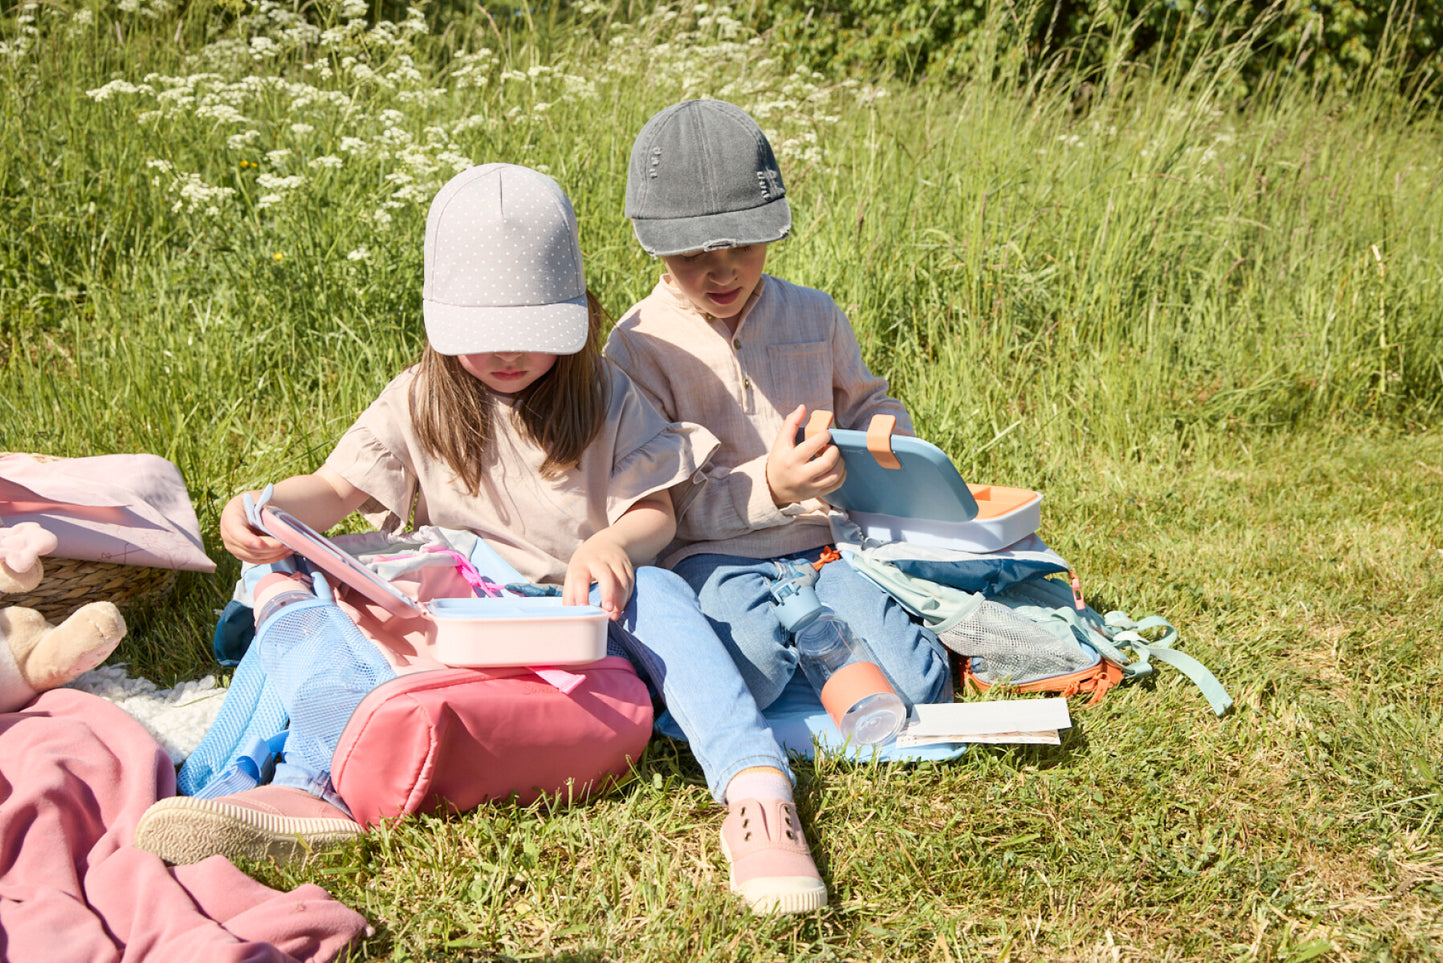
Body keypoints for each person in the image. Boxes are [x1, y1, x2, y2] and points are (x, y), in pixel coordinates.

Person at [133, 163, 827, 914]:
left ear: (577, 317)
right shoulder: (420, 398)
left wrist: (615, 545)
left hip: (579, 605)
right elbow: (336, 491)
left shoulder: (602, 392)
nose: (506, 356)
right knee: (310, 588)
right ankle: (301, 785)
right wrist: (263, 503)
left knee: (660, 591)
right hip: (455, 618)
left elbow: (656, 507)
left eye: (530, 334)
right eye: (481, 335)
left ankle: (756, 792)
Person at [605, 99, 952, 718]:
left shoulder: (814, 314)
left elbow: (868, 399)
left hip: (827, 544)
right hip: (712, 557)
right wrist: (771, 484)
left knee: (923, 686)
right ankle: (811, 645)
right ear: (654, 246)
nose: (722, 270)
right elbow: (665, 502)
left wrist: (882, 438)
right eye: (692, 255)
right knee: (751, 678)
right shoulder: (637, 346)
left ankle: (840, 631)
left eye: (743, 243)